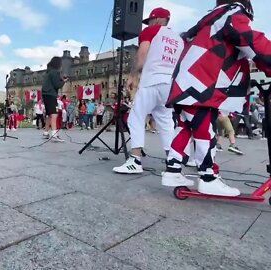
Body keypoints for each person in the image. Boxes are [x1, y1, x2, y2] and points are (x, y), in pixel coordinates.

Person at [163, 0, 271, 196]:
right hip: (202, 84)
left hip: (186, 84)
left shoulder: (208, 22)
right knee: (205, 131)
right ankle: (207, 176)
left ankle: (173, 170)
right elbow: (250, 40)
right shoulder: (231, 14)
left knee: (184, 127)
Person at [113, 7, 184, 175]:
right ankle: (173, 160)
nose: (149, 23)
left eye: (151, 20)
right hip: (171, 83)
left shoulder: (150, 32)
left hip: (152, 80)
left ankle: (135, 160)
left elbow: (142, 53)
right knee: (166, 121)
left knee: (136, 116)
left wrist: (132, 75)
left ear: (158, 19)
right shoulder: (179, 39)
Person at [41, 56, 67, 142]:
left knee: (49, 114)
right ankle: (54, 134)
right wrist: (63, 81)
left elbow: (53, 82)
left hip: (45, 94)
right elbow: (57, 85)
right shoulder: (55, 72)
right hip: (51, 94)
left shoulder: (48, 72)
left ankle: (46, 133)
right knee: (54, 114)